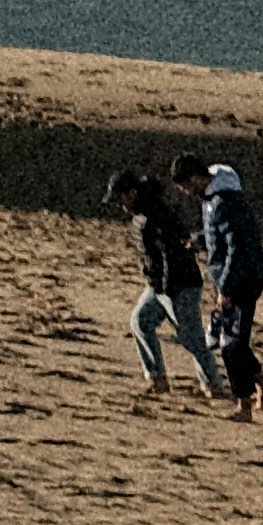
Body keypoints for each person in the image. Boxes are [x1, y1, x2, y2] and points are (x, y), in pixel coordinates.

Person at [103, 163, 213, 397]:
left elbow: (170, 254)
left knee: (192, 340)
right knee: (140, 321)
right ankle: (157, 379)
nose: (121, 206)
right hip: (161, 285)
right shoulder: (145, 213)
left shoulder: (155, 214)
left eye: (121, 199)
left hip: (179, 285)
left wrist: (166, 288)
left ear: (132, 193)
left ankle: (214, 387)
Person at [181, 154, 263, 415]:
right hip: (238, 277)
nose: (186, 193)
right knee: (235, 342)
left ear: (196, 177)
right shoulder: (213, 199)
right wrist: (199, 240)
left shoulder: (225, 202)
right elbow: (219, 236)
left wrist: (226, 290)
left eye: (186, 186)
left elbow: (237, 248)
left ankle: (244, 406)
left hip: (243, 279)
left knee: (230, 344)